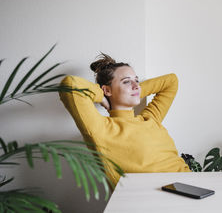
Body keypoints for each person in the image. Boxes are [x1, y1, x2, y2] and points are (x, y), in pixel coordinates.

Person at [59, 54, 191, 186]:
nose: (136, 86)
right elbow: (70, 84)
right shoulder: (101, 128)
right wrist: (103, 96)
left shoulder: (150, 118)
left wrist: (134, 92)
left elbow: (171, 81)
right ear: (107, 89)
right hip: (155, 196)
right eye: (126, 81)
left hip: (192, 183)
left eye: (137, 81)